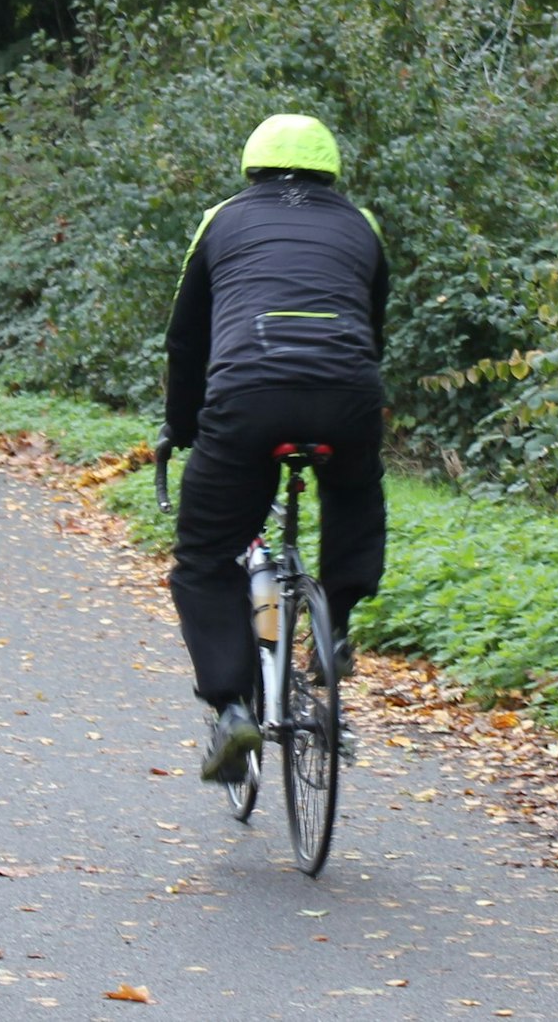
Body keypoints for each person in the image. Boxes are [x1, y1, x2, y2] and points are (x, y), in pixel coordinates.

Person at [161, 113, 389, 783]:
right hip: (347, 391)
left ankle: (232, 708)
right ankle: (337, 626)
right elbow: (372, 325)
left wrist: (183, 428)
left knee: (204, 557)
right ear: (331, 167)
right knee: (352, 487)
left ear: (251, 165)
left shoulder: (221, 221)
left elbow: (187, 340)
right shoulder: (362, 225)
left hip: (247, 396)